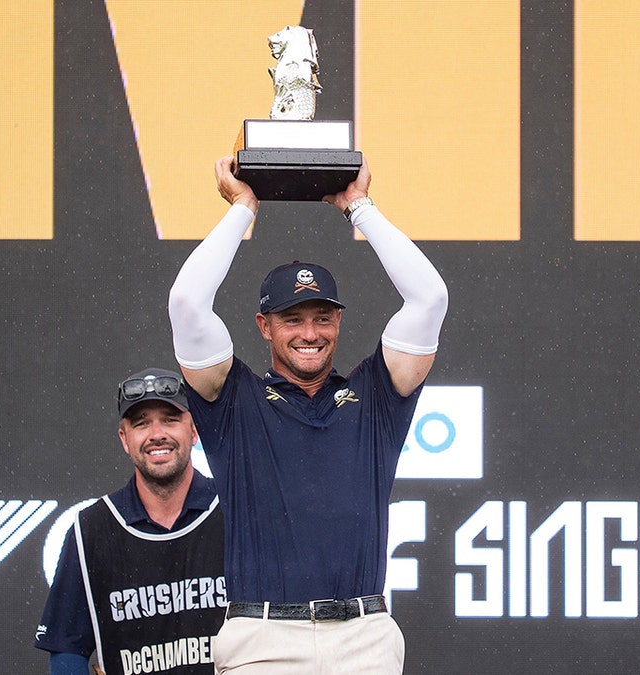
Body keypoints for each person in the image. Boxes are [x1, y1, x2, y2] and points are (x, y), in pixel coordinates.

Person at [167, 157, 448, 673]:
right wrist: (242, 209)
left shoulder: (376, 395)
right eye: (291, 319)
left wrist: (360, 208)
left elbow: (429, 298)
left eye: (322, 317)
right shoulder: (232, 400)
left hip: (365, 637)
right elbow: (187, 302)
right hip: (264, 640)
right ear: (263, 326)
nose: (310, 333)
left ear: (339, 320)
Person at [35, 368, 226, 675]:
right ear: (125, 439)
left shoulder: (235, 513)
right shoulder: (92, 529)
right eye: (141, 424)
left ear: (194, 431)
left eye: (170, 419)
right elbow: (66, 649)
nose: (157, 434)